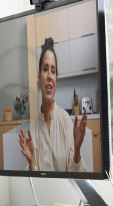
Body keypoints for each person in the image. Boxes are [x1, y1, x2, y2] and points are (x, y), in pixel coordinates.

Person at [19, 37, 88, 172]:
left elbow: (75, 178)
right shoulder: (33, 130)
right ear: (39, 77)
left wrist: (77, 150)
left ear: (56, 78)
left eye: (53, 71)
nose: (50, 75)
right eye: (45, 69)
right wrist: (31, 161)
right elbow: (35, 182)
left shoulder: (66, 121)